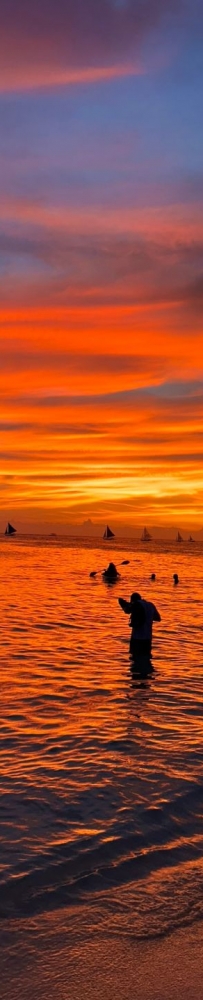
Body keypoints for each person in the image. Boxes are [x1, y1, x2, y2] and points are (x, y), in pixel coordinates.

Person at [118, 591, 161, 658]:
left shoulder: (136, 604)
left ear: (132, 600)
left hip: (137, 638)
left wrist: (122, 603)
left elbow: (127, 610)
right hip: (148, 638)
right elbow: (158, 618)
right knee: (146, 658)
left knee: (135, 658)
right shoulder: (150, 605)